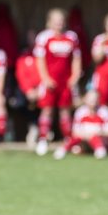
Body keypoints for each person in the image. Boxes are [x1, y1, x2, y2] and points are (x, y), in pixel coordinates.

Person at [34, 8, 82, 156]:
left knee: (65, 111)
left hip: (65, 82)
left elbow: (76, 59)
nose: (59, 24)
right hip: (50, 81)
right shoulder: (43, 37)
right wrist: (46, 78)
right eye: (55, 21)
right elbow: (39, 60)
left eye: (61, 21)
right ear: (49, 22)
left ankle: (68, 140)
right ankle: (43, 139)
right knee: (47, 110)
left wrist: (74, 76)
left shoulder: (71, 37)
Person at [54, 94, 108, 160]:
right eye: (90, 99)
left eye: (95, 99)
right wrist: (86, 135)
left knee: (94, 138)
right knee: (74, 139)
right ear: (85, 100)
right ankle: (63, 149)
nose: (93, 102)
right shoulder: (80, 111)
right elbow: (75, 132)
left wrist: (98, 132)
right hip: (83, 139)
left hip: (100, 139)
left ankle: (100, 150)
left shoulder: (104, 111)